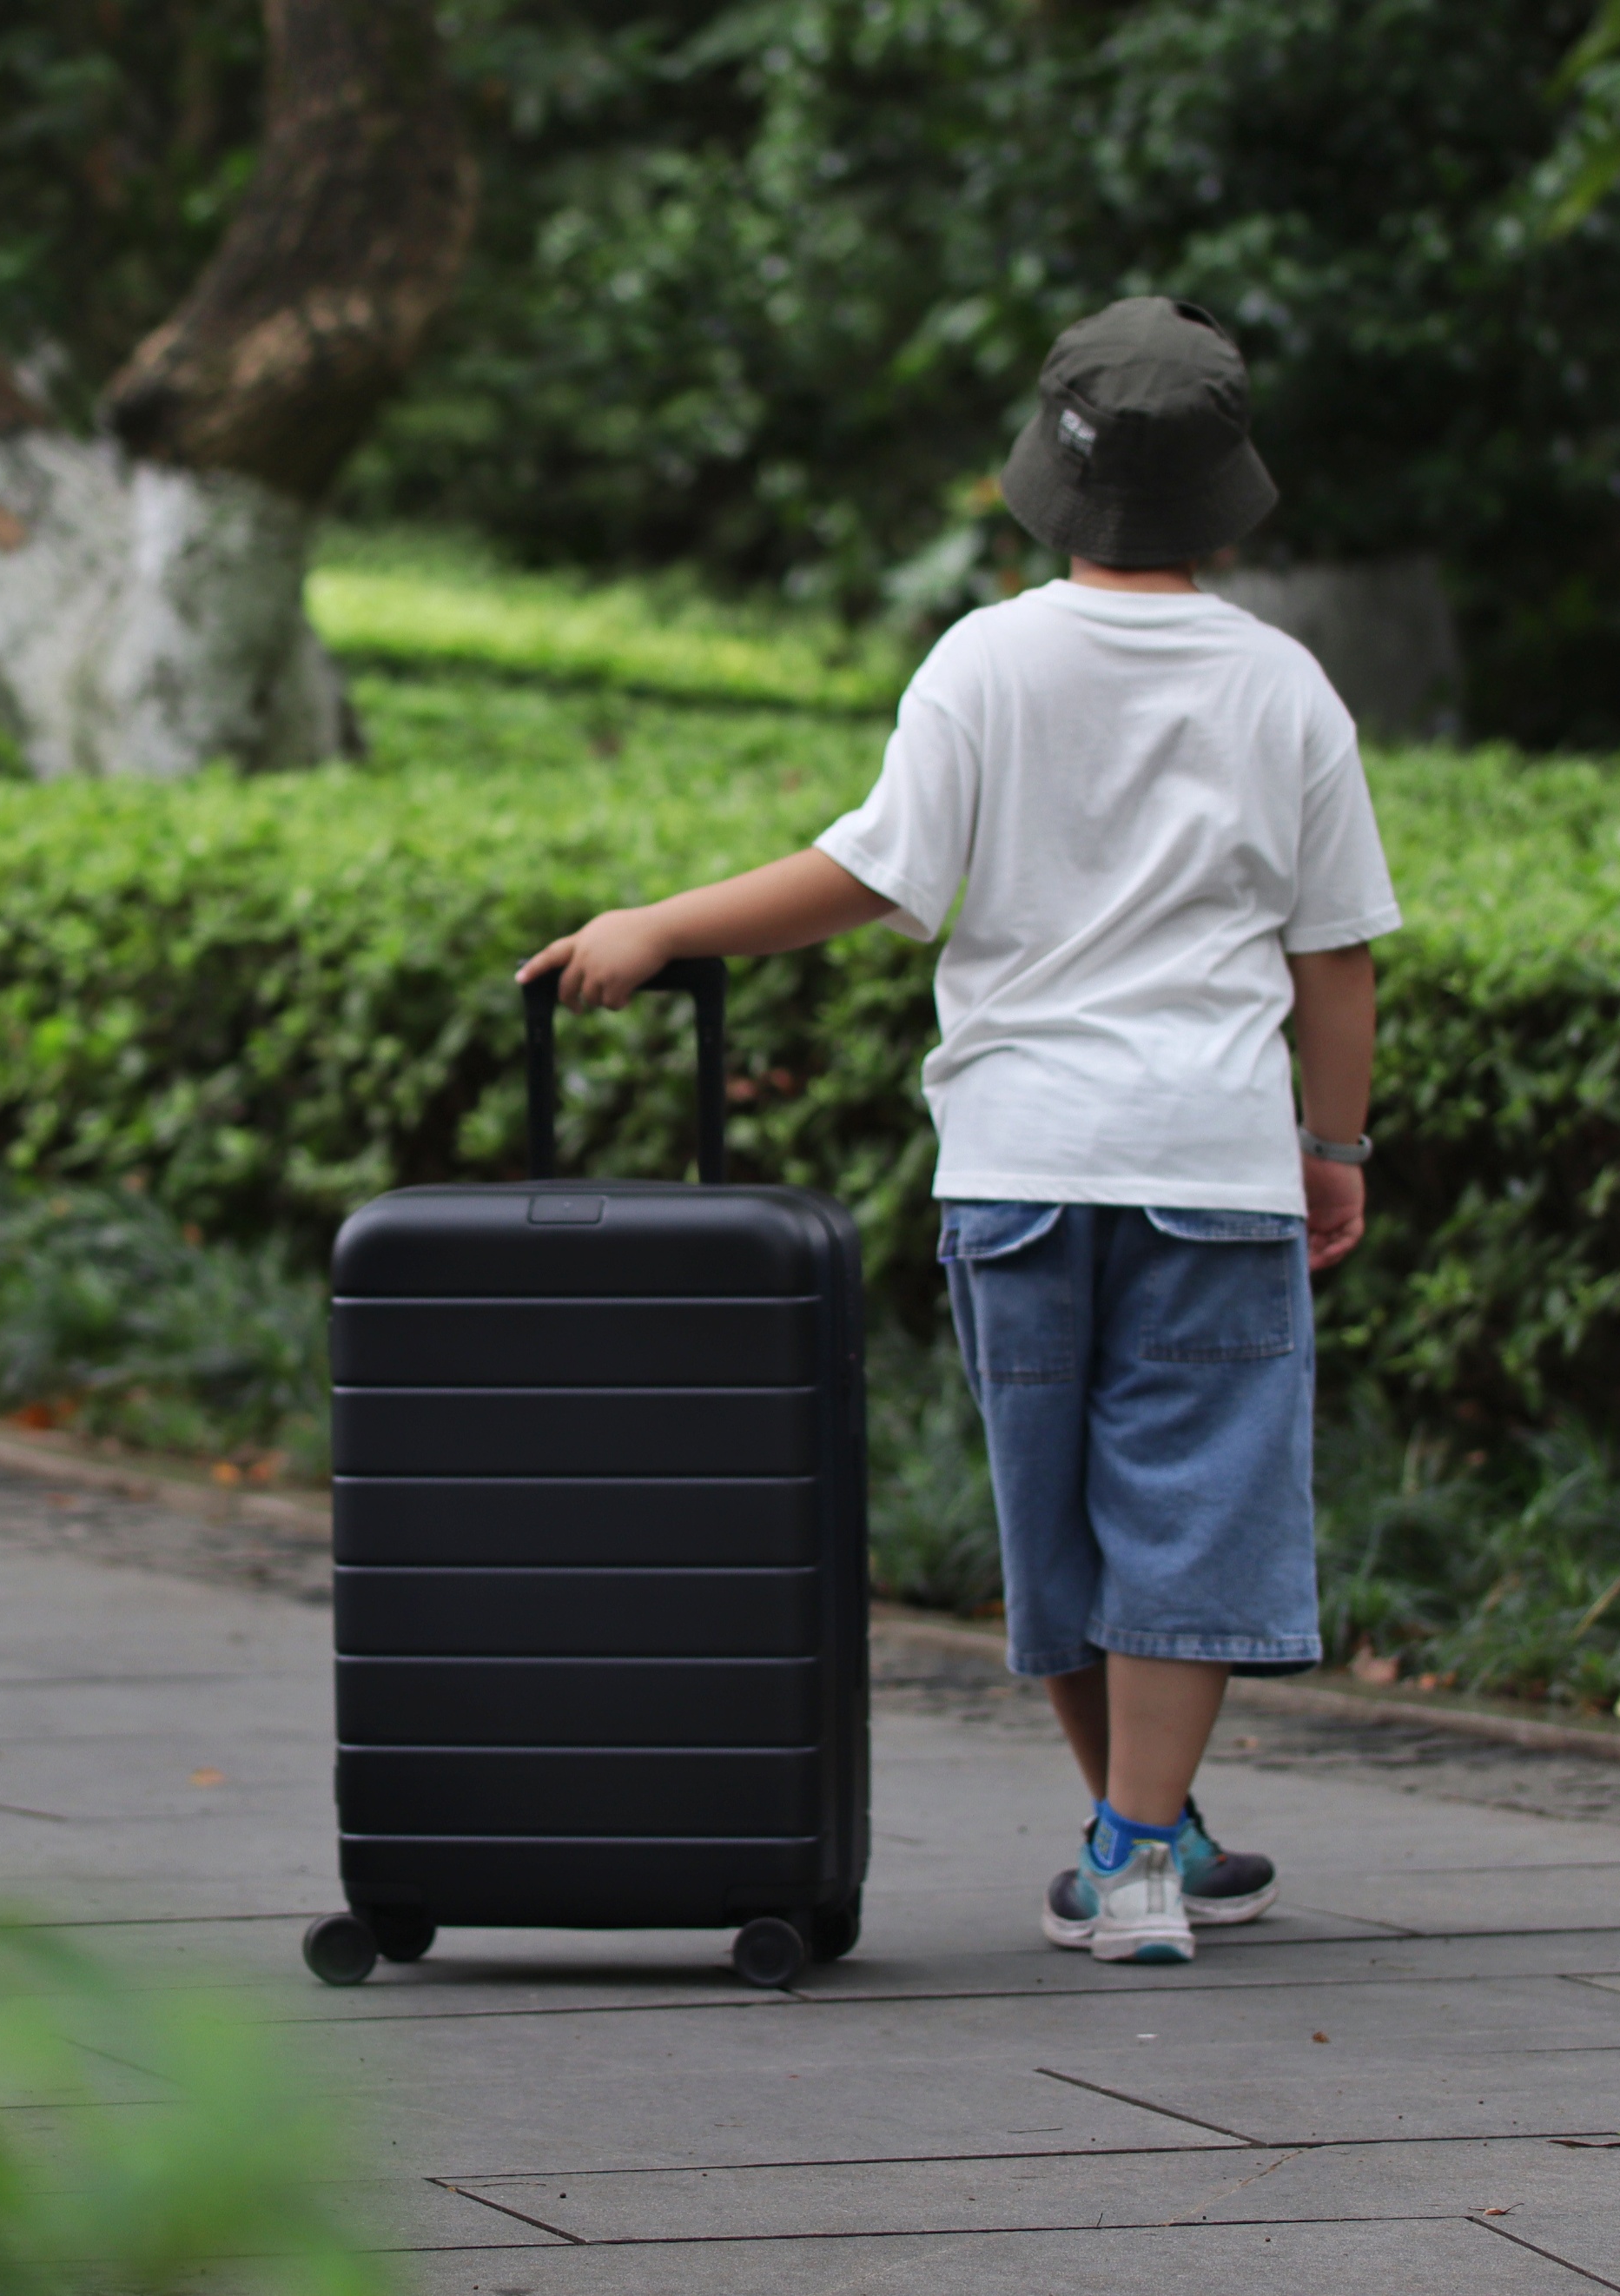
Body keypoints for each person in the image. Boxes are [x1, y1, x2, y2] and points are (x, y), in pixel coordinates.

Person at [519, 297, 1398, 1965]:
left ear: (1045, 482)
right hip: (1209, 1165)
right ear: (1226, 492)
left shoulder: (984, 659)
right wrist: (1333, 1148)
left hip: (1017, 1164)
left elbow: (872, 880)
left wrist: (661, 924)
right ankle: (1147, 1848)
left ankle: (1135, 1840)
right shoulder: (1285, 687)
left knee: (1053, 1507)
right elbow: (1333, 954)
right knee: (1188, 1504)